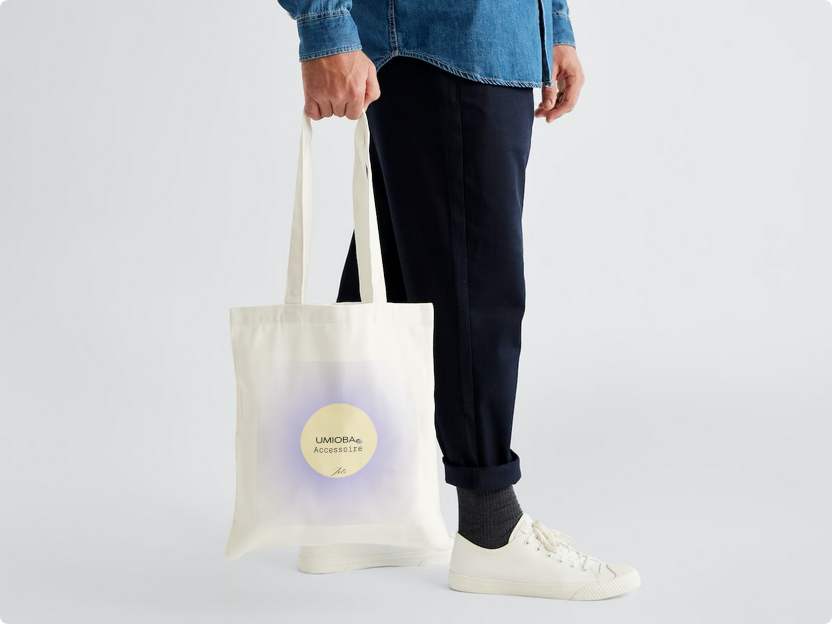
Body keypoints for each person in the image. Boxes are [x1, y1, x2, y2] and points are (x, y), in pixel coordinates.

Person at [276, 0, 641, 601]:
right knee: (476, 279)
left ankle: (350, 509)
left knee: (394, 265)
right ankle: (489, 529)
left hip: (478, 31)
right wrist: (325, 27)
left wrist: (550, 23)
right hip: (446, 33)